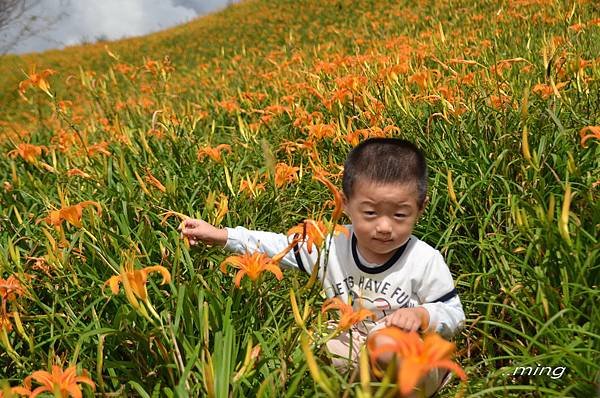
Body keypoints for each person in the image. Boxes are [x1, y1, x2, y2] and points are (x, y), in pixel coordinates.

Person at [180, 138, 465, 397]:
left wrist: (422, 314)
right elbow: (278, 245)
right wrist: (222, 235)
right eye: (370, 213)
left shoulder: (424, 259)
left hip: (405, 352)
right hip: (352, 340)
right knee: (316, 342)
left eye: (400, 215)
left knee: (384, 343)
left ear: (420, 208)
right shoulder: (332, 244)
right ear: (345, 204)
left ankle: (433, 380)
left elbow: (454, 314)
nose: (384, 227)